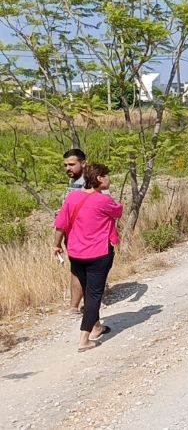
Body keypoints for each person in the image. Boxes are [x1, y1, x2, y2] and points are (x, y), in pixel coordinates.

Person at [52, 163, 122, 352]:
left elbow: (60, 225)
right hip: (98, 254)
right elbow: (118, 212)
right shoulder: (104, 201)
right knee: (93, 295)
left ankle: (97, 326)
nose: (109, 179)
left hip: (76, 254)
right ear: (99, 178)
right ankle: (85, 338)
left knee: (87, 289)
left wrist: (57, 245)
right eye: (106, 176)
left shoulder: (73, 198)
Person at [62, 148, 87, 314]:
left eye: (71, 164)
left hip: (87, 236)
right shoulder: (74, 183)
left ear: (83, 164)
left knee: (86, 270)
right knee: (77, 269)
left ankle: (89, 305)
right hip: (74, 236)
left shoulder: (91, 183)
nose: (68, 168)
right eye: (65, 165)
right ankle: (74, 306)